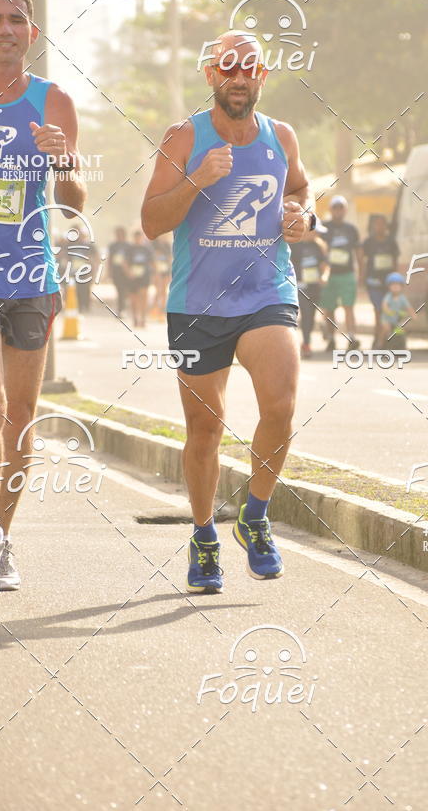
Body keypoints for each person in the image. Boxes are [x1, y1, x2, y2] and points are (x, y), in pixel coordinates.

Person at [141, 29, 315, 593]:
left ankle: (254, 516)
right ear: (211, 75)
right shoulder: (183, 137)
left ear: (262, 76)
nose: (239, 78)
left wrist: (303, 216)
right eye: (228, 68)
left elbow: (302, 191)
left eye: (249, 69)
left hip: (267, 290)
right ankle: (203, 536)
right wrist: (197, 179)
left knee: (282, 406)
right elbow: (151, 221)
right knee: (204, 429)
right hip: (198, 303)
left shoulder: (280, 136)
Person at [0, 0, 86, 596]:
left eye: (16, 19)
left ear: (31, 34)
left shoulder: (54, 101)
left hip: (30, 277)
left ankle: (2, 538)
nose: (6, 29)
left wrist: (63, 163)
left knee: (21, 422)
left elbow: (74, 204)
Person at [319, 195, 362, 351]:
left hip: (347, 273)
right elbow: (318, 249)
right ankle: (331, 339)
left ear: (345, 210)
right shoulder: (323, 228)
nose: (338, 211)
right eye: (335, 208)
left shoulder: (351, 229)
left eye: (341, 208)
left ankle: (352, 337)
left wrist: (361, 273)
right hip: (329, 274)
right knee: (329, 308)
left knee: (348, 306)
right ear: (331, 210)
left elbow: (358, 252)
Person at [290, 222, 329, 358]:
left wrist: (324, 276)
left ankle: (307, 341)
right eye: (316, 231)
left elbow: (325, 264)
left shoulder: (320, 245)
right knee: (300, 314)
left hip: (314, 286)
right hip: (299, 286)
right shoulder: (294, 245)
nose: (318, 234)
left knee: (310, 316)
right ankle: (297, 344)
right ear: (308, 230)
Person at [361, 214, 399, 348]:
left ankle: (388, 339)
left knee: (390, 310)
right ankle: (378, 340)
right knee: (378, 310)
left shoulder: (391, 242)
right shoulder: (368, 242)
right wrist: (362, 279)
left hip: (389, 283)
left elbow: (395, 262)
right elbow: (363, 262)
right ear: (373, 226)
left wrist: (397, 281)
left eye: (382, 223)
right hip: (374, 282)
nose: (380, 227)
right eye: (377, 224)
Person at [380, 272, 415, 347]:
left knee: (400, 331)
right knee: (386, 329)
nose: (395, 287)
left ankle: (401, 346)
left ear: (401, 287)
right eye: (393, 285)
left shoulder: (402, 298)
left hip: (397, 319)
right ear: (389, 286)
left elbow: (408, 307)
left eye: (397, 285)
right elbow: (384, 304)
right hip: (387, 318)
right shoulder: (389, 296)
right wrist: (387, 310)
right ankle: (381, 344)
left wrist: (412, 314)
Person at [127, 229, 153, 328]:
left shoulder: (147, 249)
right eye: (136, 237)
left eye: (140, 237)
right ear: (134, 238)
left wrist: (155, 274)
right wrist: (129, 272)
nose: (138, 239)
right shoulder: (130, 249)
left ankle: (143, 319)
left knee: (143, 297)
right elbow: (125, 262)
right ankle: (135, 318)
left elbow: (152, 262)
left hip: (144, 276)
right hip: (133, 276)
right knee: (133, 299)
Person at [108, 225, 130, 317]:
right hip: (116, 271)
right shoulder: (113, 246)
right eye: (118, 234)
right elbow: (110, 259)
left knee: (125, 290)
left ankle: (123, 308)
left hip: (125, 271)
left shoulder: (128, 246)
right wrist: (109, 271)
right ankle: (121, 308)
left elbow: (130, 258)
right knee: (119, 290)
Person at [150, 233, 172, 321]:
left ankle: (162, 311)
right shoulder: (154, 244)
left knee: (164, 291)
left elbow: (169, 258)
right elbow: (153, 258)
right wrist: (155, 270)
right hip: (156, 271)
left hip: (165, 270)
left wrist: (170, 268)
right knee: (158, 291)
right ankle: (154, 310)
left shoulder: (167, 245)